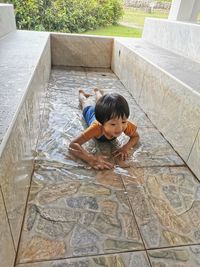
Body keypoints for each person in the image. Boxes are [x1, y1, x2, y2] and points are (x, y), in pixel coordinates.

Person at [69, 88, 139, 170]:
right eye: (113, 124)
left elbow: (136, 136)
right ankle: (81, 93)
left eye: (123, 122)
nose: (120, 128)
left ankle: (97, 91)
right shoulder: (96, 128)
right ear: (102, 123)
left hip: (105, 115)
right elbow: (73, 145)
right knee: (84, 103)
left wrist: (125, 148)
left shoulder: (126, 124)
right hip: (91, 114)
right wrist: (91, 159)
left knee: (100, 100)